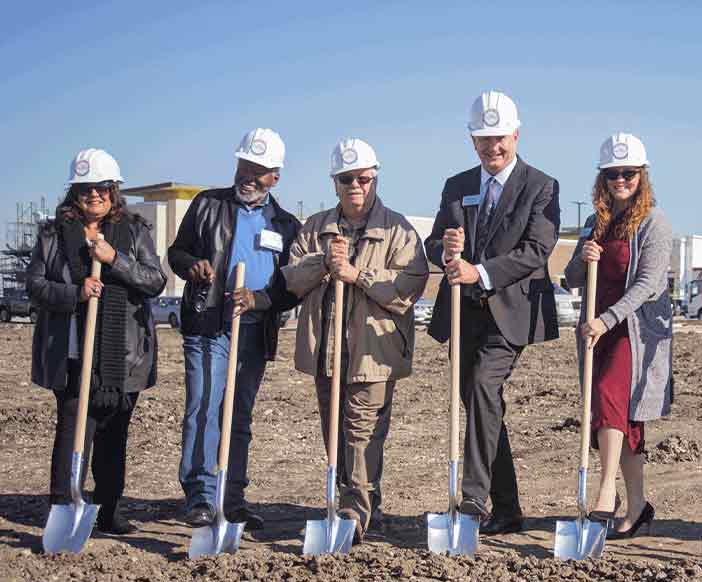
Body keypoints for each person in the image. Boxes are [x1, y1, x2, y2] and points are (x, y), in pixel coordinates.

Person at [425, 90, 561, 535]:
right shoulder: (456, 185)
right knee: (482, 405)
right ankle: (508, 509)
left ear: (516, 135)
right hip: (463, 316)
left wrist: (478, 272)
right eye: (483, 139)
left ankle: (473, 499)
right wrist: (445, 255)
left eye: (499, 138)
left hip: (508, 312)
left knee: (484, 386)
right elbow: (433, 243)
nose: (492, 148)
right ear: (472, 141)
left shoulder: (541, 186)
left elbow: (536, 251)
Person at [282, 139, 429, 541]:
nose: (355, 186)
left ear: (374, 179)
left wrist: (357, 274)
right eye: (347, 179)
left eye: (363, 178)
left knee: (363, 431)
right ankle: (360, 501)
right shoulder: (315, 228)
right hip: (326, 351)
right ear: (335, 183)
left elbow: (407, 288)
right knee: (335, 430)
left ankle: (356, 507)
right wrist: (324, 263)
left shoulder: (398, 230)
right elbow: (291, 278)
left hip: (374, 351)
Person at [168, 128, 303, 530]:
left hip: (254, 331)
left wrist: (259, 299)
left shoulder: (286, 224)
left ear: (274, 176)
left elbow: (290, 287)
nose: (248, 174)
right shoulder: (207, 204)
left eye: (259, 170)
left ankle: (233, 497)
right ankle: (201, 497)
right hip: (209, 323)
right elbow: (177, 252)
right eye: (245, 164)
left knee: (238, 415)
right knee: (203, 406)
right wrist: (191, 266)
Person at [28, 149, 167, 535]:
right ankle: (63, 505)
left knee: (113, 435)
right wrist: (76, 292)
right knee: (73, 431)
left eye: (103, 187)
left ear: (114, 190)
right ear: (75, 192)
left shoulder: (135, 232)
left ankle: (109, 508)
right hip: (72, 354)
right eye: (86, 188)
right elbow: (35, 286)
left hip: (121, 358)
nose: (95, 195)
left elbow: (154, 281)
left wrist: (114, 258)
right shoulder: (53, 235)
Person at [563, 133, 672, 538]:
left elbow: (648, 284)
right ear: (603, 178)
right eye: (613, 174)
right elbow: (571, 278)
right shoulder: (597, 223)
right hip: (597, 331)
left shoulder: (654, 223)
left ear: (642, 176)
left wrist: (608, 320)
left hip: (633, 331)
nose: (620, 180)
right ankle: (639, 507)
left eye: (628, 173)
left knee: (611, 401)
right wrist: (583, 258)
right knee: (621, 419)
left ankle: (606, 491)